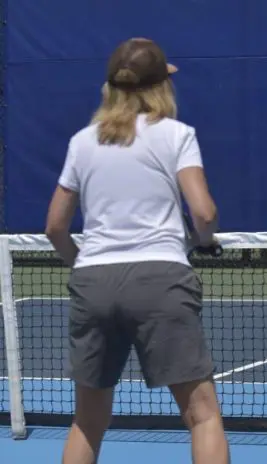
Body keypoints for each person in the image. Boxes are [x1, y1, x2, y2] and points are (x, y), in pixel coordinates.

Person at [45, 38, 230, 463]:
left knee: (87, 422)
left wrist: (83, 264)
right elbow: (203, 213)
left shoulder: (81, 142)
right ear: (162, 85)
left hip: (93, 282)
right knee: (202, 416)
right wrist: (205, 240)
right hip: (160, 280)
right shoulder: (178, 136)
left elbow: (55, 226)